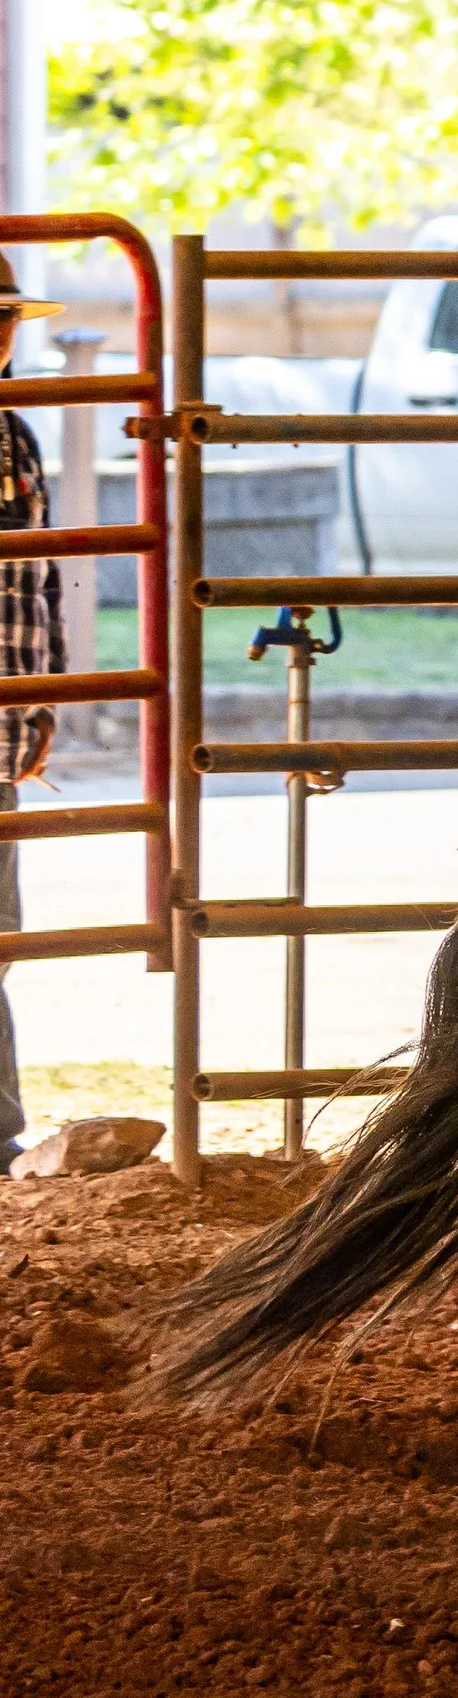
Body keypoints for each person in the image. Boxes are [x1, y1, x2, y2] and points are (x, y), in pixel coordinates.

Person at [0, 253, 65, 1173]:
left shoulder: (15, 436)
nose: (4, 332)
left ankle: (0, 1131)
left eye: (7, 317)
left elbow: (41, 573)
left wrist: (46, 695)